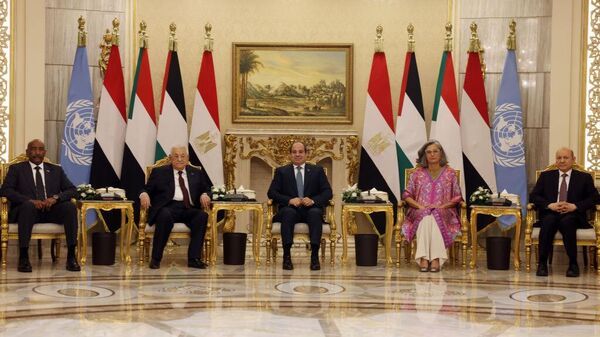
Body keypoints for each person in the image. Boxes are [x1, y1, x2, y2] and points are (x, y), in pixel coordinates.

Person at [0, 139, 80, 272]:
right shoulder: (17, 169)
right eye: (33, 149)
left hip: (50, 210)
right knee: (28, 207)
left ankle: (71, 256)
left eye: (40, 149)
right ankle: (24, 257)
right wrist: (29, 200)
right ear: (27, 152)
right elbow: (5, 190)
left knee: (69, 207)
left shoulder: (56, 170)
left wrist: (56, 198)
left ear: (45, 152)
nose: (37, 153)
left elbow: (72, 190)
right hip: (27, 211)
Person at [530, 147, 599, 277]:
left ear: (573, 160)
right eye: (559, 158)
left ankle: (573, 264)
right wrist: (550, 205)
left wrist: (575, 206)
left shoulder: (584, 177)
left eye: (565, 158)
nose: (562, 161)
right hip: (551, 212)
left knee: (568, 221)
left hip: (573, 214)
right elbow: (533, 196)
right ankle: (542, 264)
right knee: (549, 221)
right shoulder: (546, 176)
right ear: (556, 161)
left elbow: (595, 198)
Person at [139, 145, 211, 269]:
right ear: (170, 158)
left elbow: (207, 189)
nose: (179, 159)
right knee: (164, 215)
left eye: (183, 156)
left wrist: (205, 194)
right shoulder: (159, 172)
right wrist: (144, 194)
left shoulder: (196, 173)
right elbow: (146, 189)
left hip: (188, 207)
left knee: (202, 216)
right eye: (176, 156)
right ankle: (156, 259)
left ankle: (194, 258)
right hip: (168, 207)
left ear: (187, 158)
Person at [267, 141, 333, 270]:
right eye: (294, 152)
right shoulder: (281, 171)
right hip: (290, 209)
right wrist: (289, 200)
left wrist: (313, 200)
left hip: (310, 209)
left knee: (315, 213)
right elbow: (271, 192)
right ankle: (287, 256)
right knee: (288, 213)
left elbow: (328, 192)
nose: (297, 155)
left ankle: (314, 256)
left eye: (300, 152)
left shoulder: (317, 171)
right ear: (290, 154)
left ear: (306, 154)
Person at [402, 140, 462, 272]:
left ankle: (433, 258)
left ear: (441, 154)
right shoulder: (417, 174)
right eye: (428, 152)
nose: (432, 154)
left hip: (445, 210)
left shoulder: (450, 174)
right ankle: (426, 258)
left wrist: (442, 206)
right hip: (419, 210)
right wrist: (419, 206)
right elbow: (406, 195)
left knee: (434, 215)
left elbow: (457, 197)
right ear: (424, 155)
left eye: (435, 151)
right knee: (426, 216)